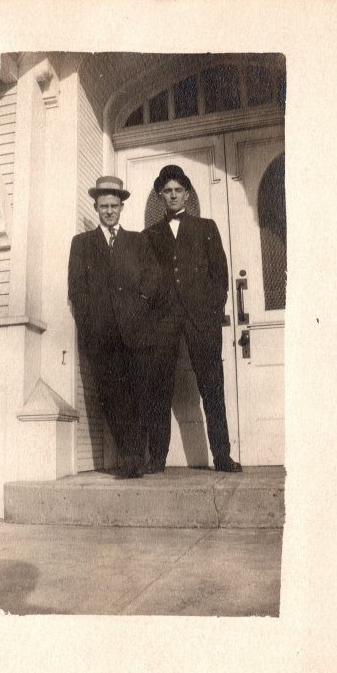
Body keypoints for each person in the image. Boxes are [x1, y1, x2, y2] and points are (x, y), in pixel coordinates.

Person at [143, 164, 242, 474]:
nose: (173, 195)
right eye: (167, 191)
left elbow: (219, 276)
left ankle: (222, 457)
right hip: (164, 324)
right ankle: (156, 459)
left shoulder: (206, 228)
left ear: (186, 194)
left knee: (212, 387)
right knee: (159, 388)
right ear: (162, 196)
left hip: (202, 323)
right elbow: (144, 280)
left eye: (178, 190)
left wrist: (211, 313)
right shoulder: (149, 236)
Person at [68, 176, 159, 479]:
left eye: (114, 206)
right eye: (103, 206)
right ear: (96, 208)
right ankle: (128, 457)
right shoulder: (82, 244)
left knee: (139, 395)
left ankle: (138, 456)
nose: (109, 211)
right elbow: (77, 290)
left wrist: (140, 310)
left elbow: (152, 280)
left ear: (122, 207)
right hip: (102, 337)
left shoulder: (138, 241)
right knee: (113, 397)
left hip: (135, 334)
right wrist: (90, 325)